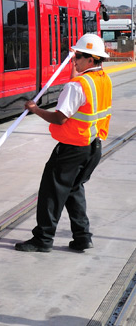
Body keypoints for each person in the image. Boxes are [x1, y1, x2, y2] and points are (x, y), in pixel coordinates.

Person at [15, 33, 112, 253]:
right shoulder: (102, 80)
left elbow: (60, 118)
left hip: (72, 149)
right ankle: (82, 237)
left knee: (51, 191)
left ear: (90, 60)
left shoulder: (77, 86)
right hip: (93, 146)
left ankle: (43, 238)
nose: (74, 59)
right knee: (74, 189)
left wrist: (35, 109)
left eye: (78, 56)